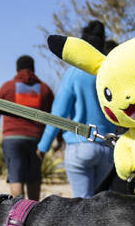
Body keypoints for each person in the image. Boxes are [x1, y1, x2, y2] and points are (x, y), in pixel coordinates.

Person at [38, 21, 118, 197]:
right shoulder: (109, 73)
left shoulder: (73, 74)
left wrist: (43, 146)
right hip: (106, 148)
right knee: (96, 201)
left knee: (82, 203)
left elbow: (59, 114)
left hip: (80, 145)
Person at [0, 55, 54, 199]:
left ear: (17, 69)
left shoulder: (8, 86)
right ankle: (33, 214)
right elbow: (55, 115)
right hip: (36, 139)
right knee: (34, 178)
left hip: (13, 139)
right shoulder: (44, 89)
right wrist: (59, 138)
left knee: (16, 177)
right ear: (33, 68)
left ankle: (18, 215)